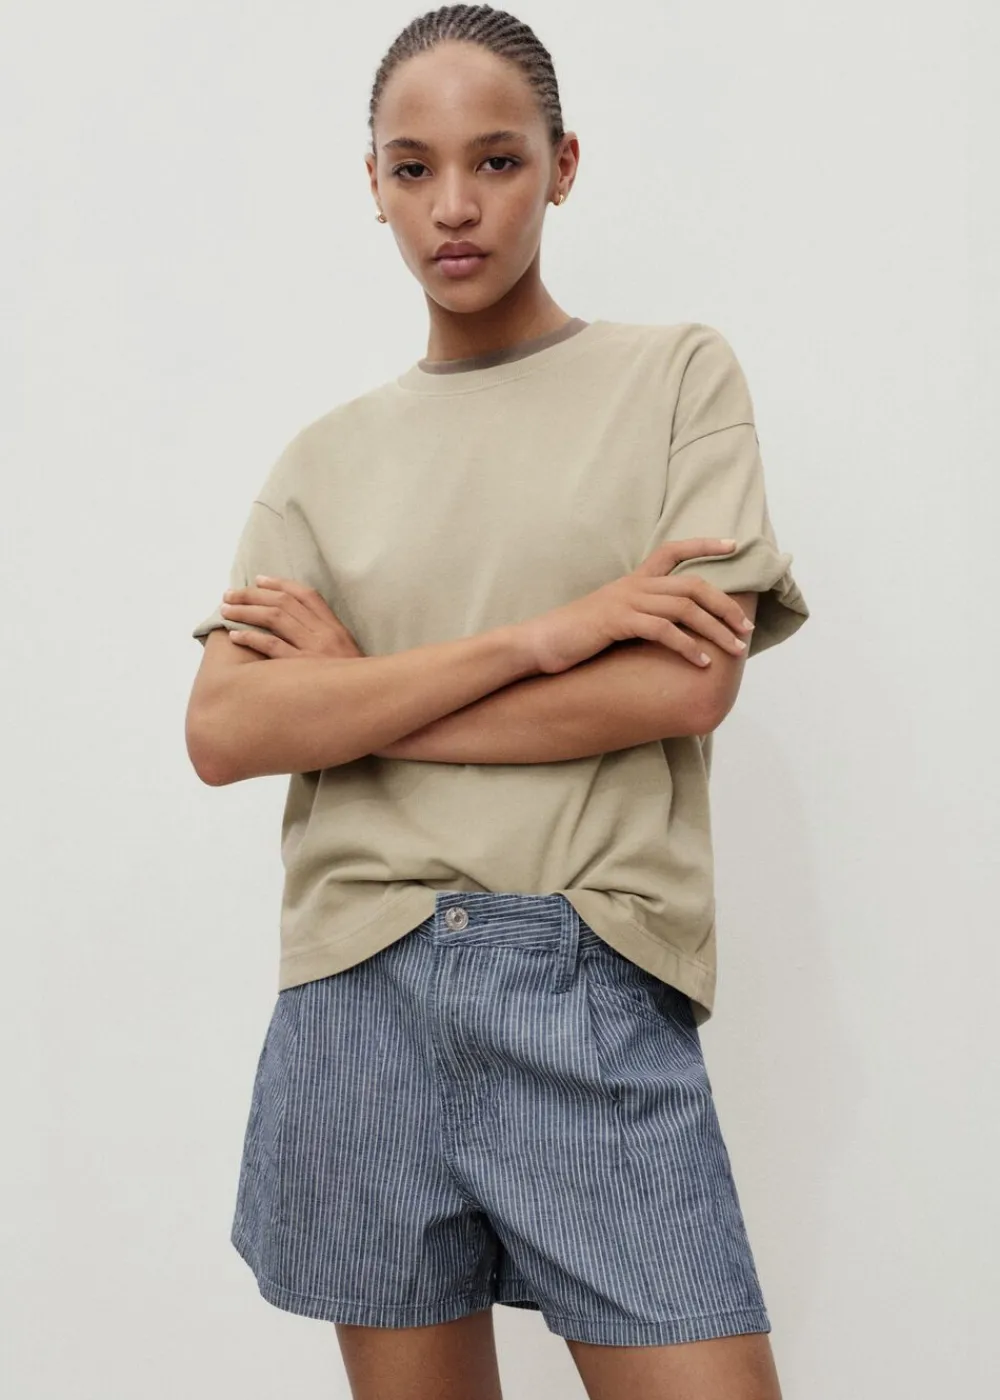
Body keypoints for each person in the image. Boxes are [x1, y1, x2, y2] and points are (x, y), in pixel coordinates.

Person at [185, 6, 809, 1397]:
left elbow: (685, 682)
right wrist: (545, 639)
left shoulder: (673, 377)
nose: (453, 207)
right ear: (373, 183)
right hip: (359, 985)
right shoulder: (322, 461)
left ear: (563, 165)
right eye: (413, 168)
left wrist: (355, 699)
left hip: (584, 970)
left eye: (498, 161)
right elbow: (224, 731)